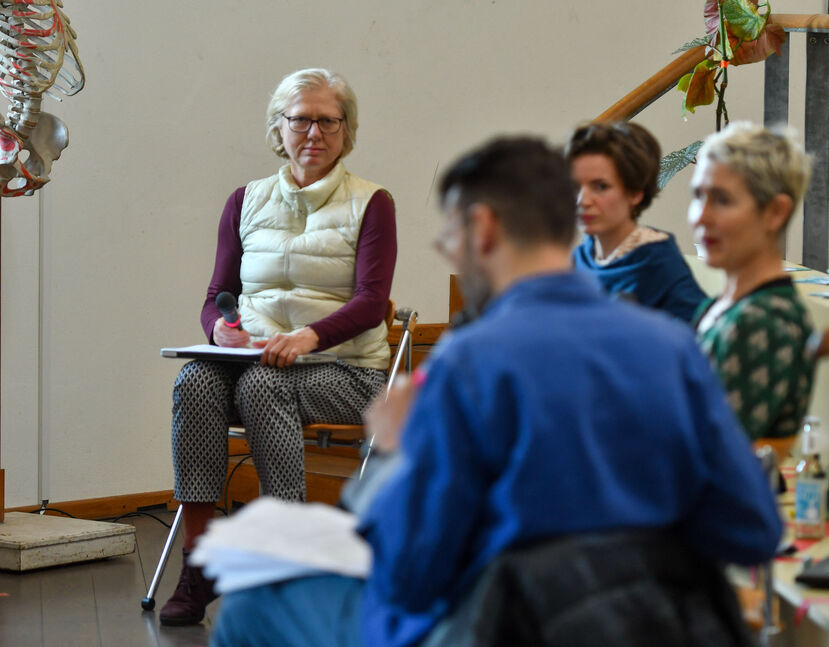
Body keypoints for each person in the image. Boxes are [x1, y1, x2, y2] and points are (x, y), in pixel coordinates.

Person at [209, 136, 782, 647]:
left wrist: (391, 451)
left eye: (451, 233)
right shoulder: (673, 347)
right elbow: (752, 529)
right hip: (661, 623)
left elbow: (412, 574)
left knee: (251, 607)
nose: (448, 249)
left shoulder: (469, 364)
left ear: (482, 228)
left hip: (501, 623)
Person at [160, 68, 397, 626]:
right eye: (301, 119)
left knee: (267, 383)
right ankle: (202, 561)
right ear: (279, 128)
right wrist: (219, 329)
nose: (313, 132)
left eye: (328, 121)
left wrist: (309, 336)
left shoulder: (372, 203)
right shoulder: (245, 200)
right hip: (254, 363)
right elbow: (219, 295)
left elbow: (371, 301)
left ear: (346, 131)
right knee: (194, 379)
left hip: (347, 372)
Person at [690, 122, 815, 444]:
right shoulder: (721, 307)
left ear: (775, 212)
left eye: (721, 200)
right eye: (698, 195)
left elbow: (713, 454)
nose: (700, 217)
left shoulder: (762, 321)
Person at [566, 121, 706, 322]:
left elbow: (698, 339)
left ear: (635, 193)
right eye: (575, 186)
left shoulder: (658, 262)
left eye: (601, 186)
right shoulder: (578, 259)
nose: (583, 200)